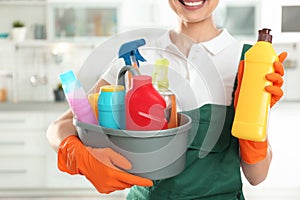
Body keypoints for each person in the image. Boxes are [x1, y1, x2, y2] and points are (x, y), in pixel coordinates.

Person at [46, 0, 287, 199]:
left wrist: (255, 140)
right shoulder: (137, 57)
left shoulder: (248, 62)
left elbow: (257, 176)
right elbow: (60, 127)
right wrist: (78, 154)